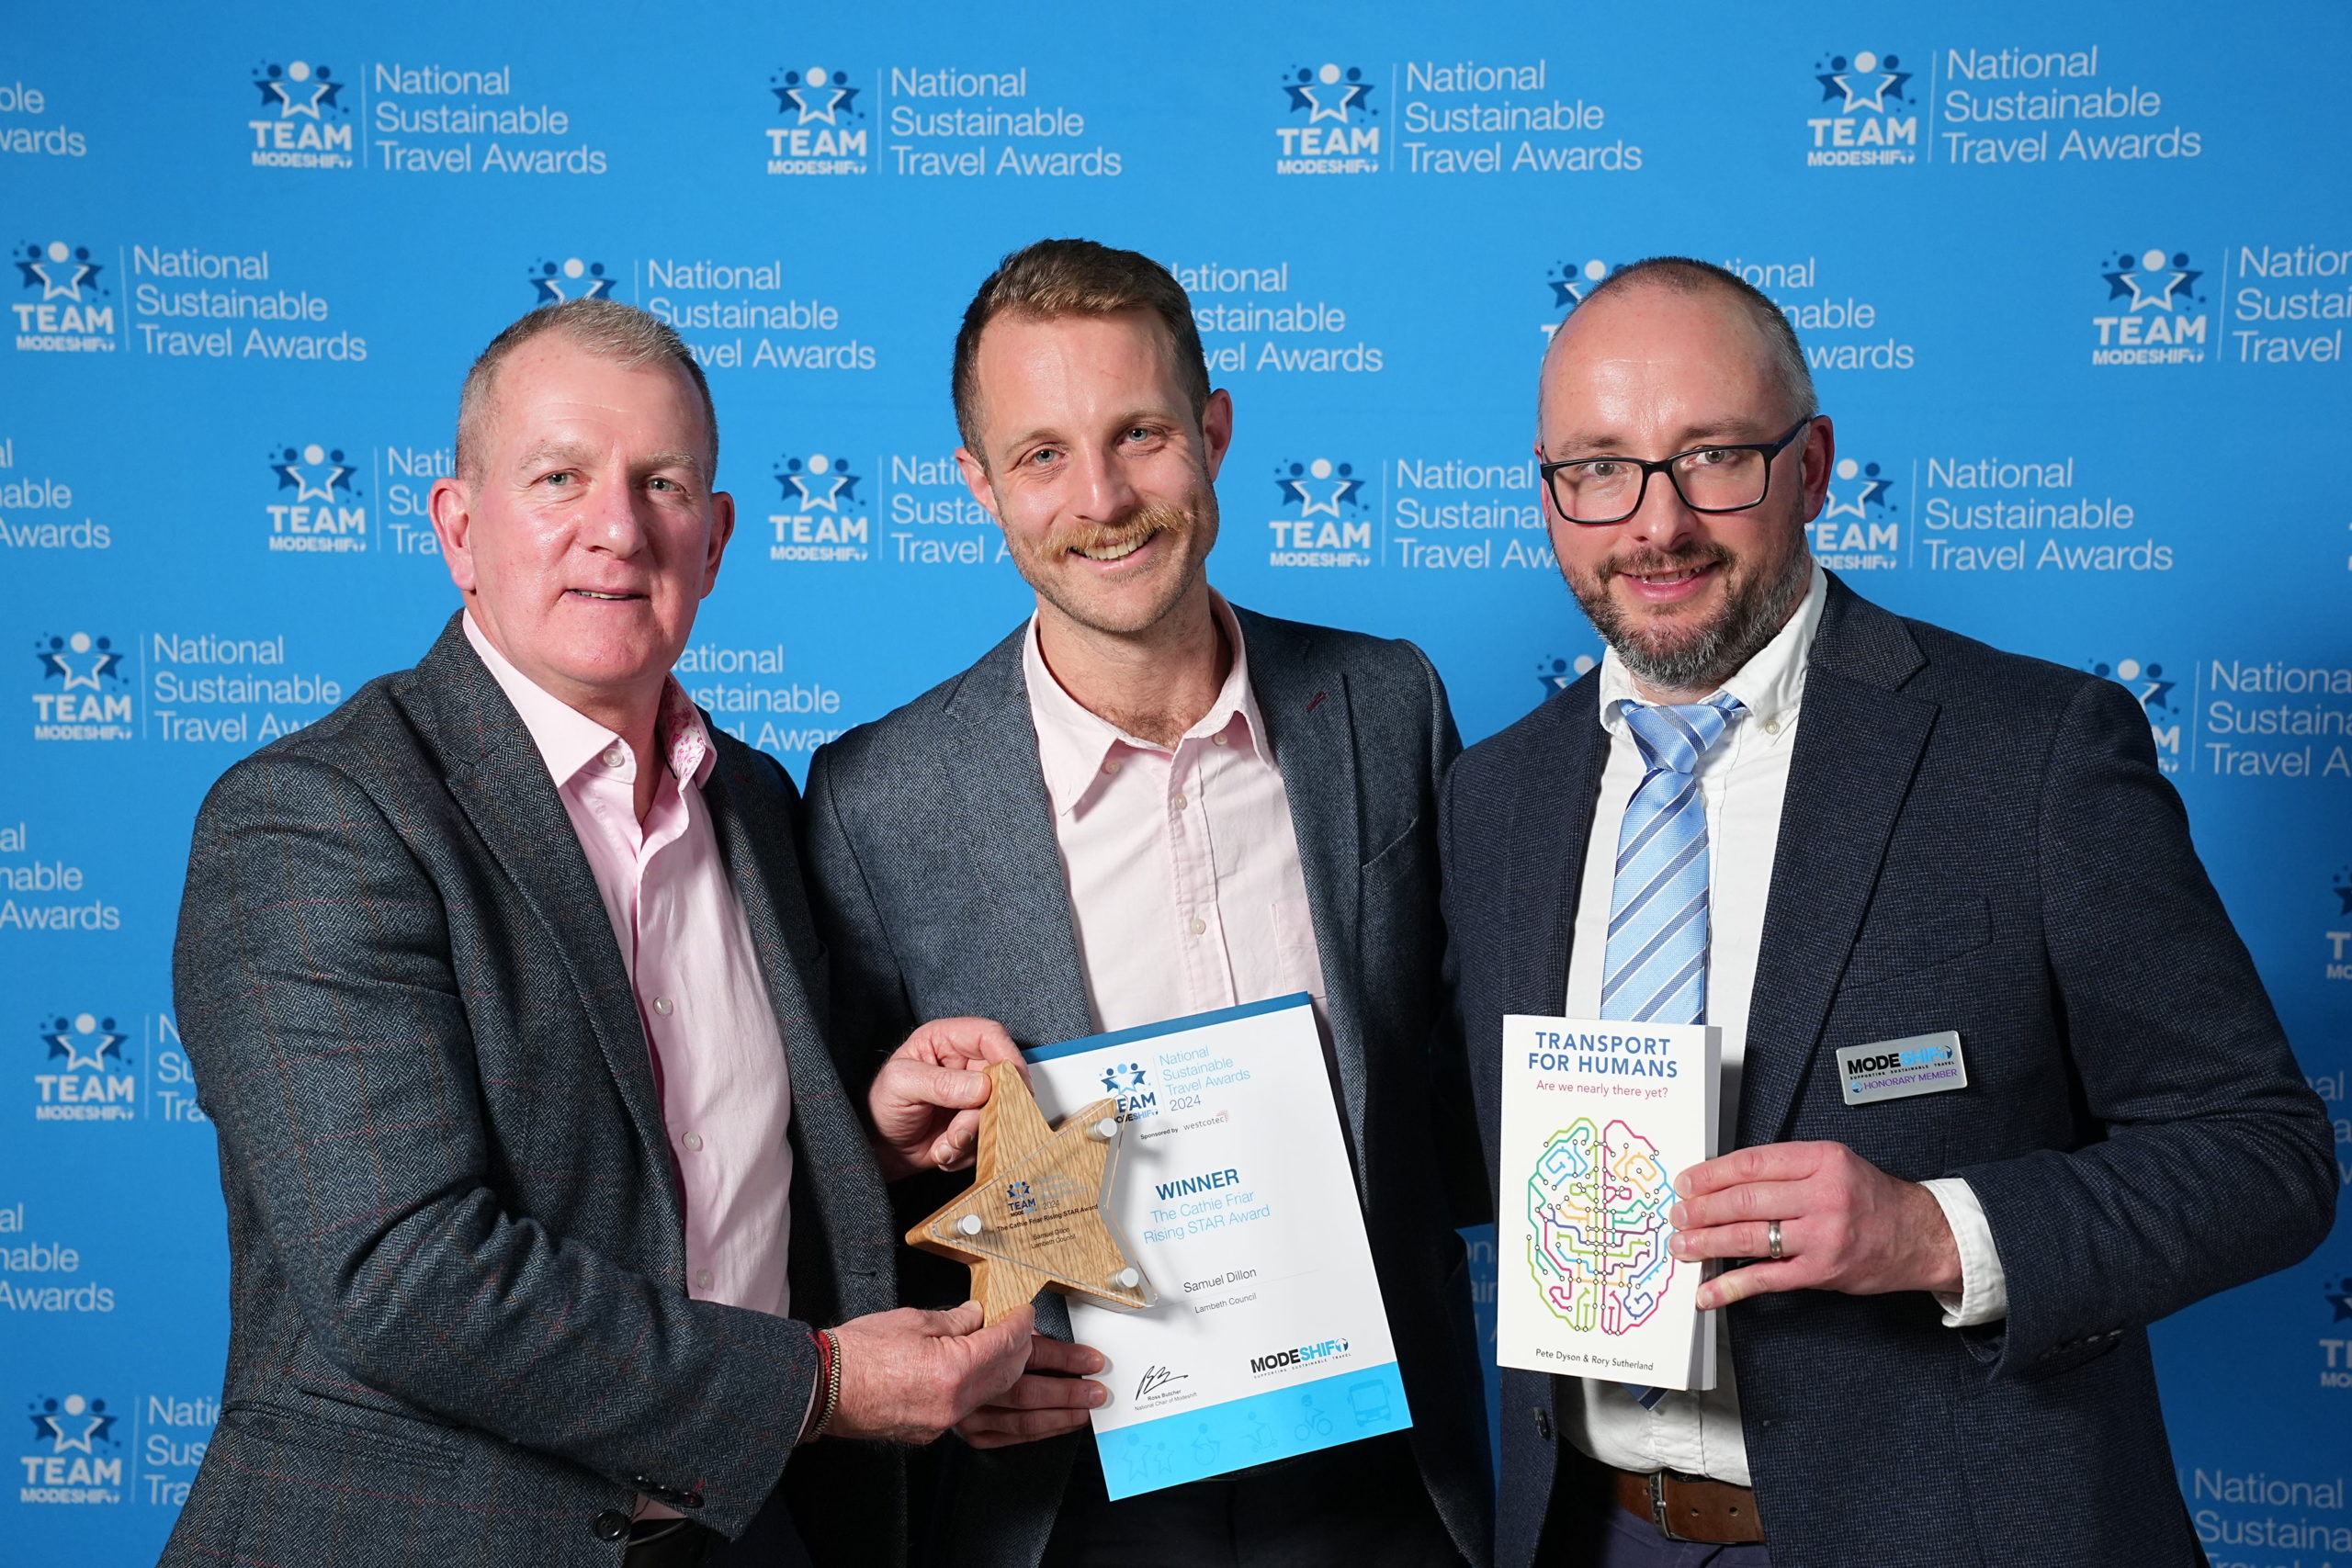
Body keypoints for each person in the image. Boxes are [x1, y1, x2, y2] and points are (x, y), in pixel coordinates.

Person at [1442, 256, 2337, 1568]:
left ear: (1811, 464)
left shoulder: (2030, 754)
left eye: (1714, 458)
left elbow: (2267, 1155)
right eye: (1599, 468)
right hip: (1596, 1532)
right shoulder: (1495, 797)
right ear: (1548, 489)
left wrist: (1936, 1232)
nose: (1657, 523)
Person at [163, 299, 1044, 1568]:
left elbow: (662, 1181)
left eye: (663, 483)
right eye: (559, 477)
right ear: (459, 530)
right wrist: (821, 1386)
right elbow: (406, 1277)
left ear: (718, 537)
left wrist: (867, 1148)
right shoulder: (318, 820)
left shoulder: (750, 800)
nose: (617, 529)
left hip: (738, 1535)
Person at [801, 239, 1492, 1568]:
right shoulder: (876, 799)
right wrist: (951, 1384)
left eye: (1142, 435)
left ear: (1215, 434)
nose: (1102, 498)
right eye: (1043, 454)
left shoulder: (1384, 705)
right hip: (1066, 1497)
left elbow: (1453, 1076)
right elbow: (845, 1188)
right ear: (980, 488)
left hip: (1383, 1474)